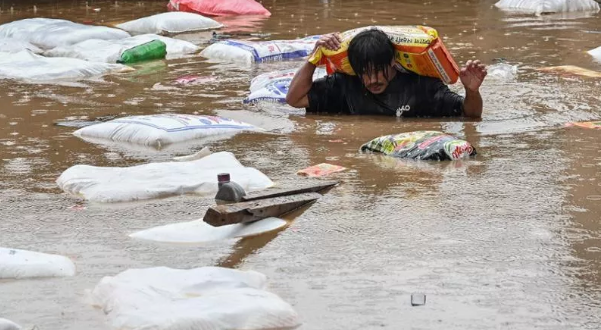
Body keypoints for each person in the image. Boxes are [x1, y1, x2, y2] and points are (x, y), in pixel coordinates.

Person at [286, 28, 487, 118]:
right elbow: (294, 99)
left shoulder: (422, 86)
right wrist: (314, 58)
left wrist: (472, 92)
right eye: (365, 73)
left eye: (378, 71)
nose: (372, 80)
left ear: (393, 62)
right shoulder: (344, 85)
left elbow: (470, 115)